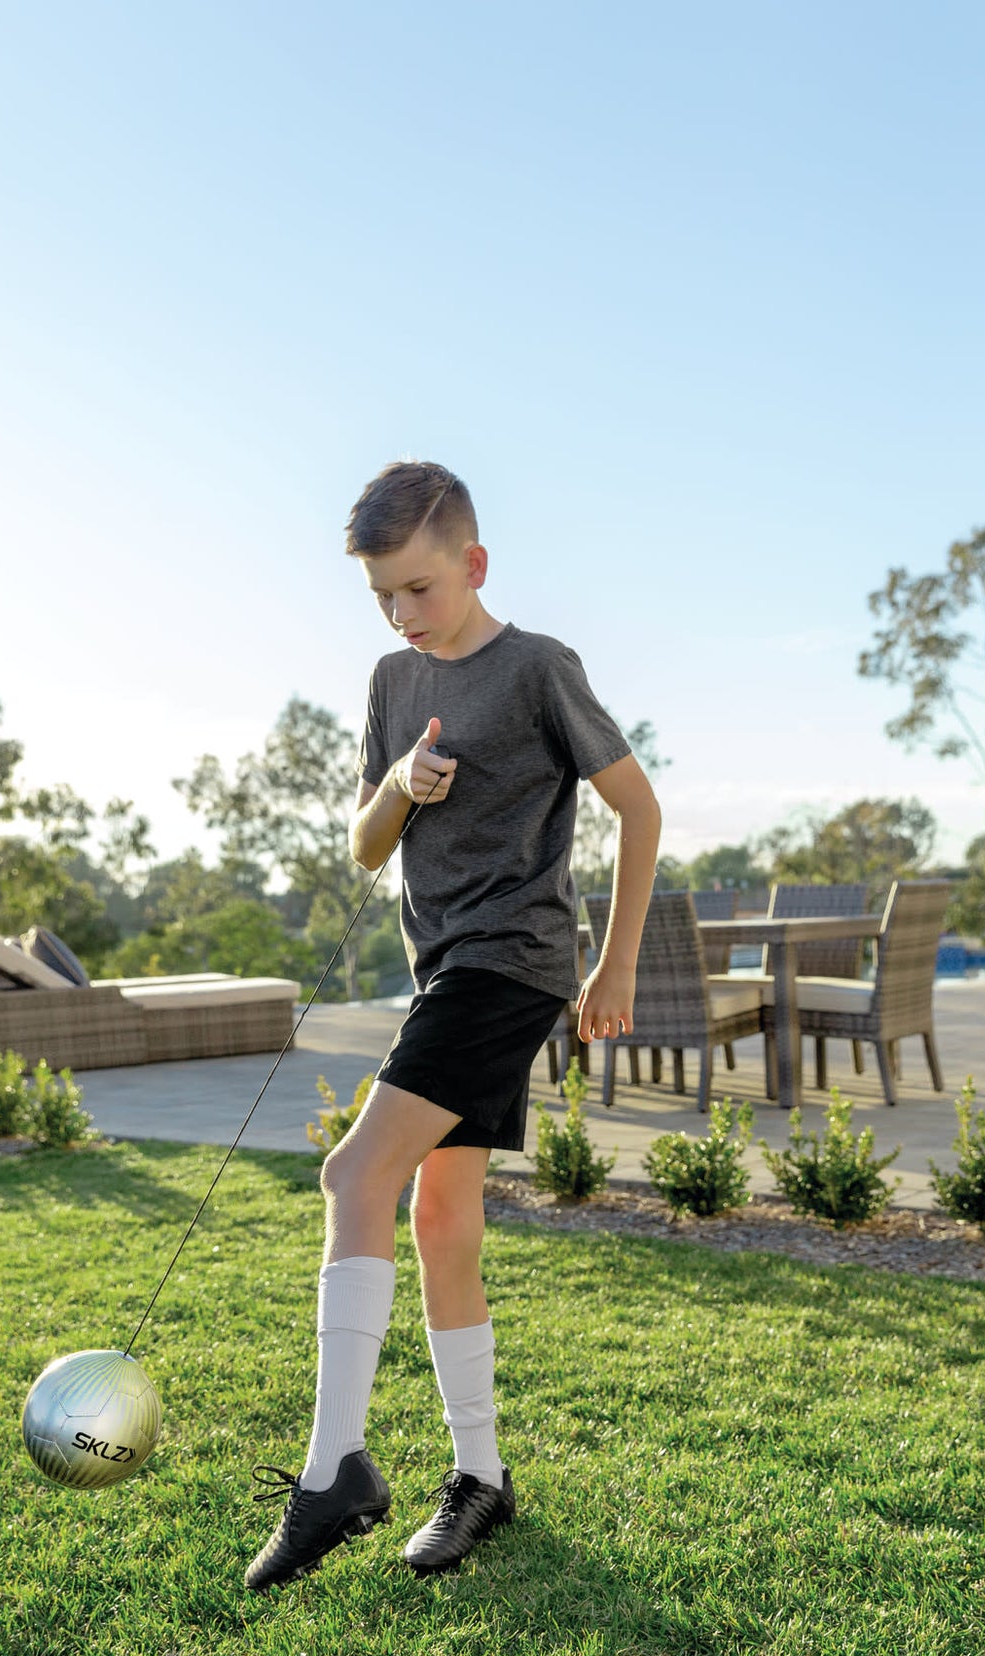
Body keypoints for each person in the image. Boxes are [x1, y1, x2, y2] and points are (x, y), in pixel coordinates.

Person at [245, 459, 662, 1591]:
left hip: (509, 964)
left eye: (418, 588)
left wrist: (612, 959)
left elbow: (636, 806)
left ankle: (336, 1467)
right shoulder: (390, 680)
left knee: (350, 1175)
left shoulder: (537, 669)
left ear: (472, 565)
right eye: (382, 594)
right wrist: (398, 782)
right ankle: (479, 1475)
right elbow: (364, 845)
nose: (400, 612)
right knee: (440, 1213)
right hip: (442, 970)